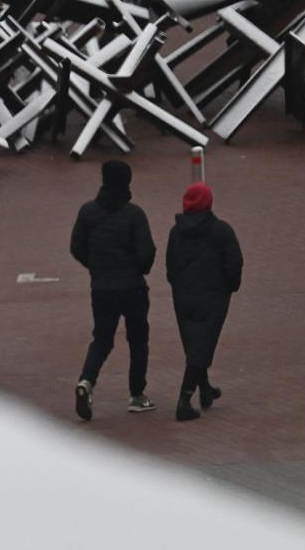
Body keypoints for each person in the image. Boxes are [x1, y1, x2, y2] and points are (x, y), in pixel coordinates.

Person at [70, 160, 157, 421]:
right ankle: (137, 395)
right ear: (127, 181)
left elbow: (76, 248)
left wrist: (95, 267)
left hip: (102, 288)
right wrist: (140, 268)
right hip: (132, 287)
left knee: (102, 339)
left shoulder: (88, 212)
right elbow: (146, 253)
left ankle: (86, 381)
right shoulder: (134, 214)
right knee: (138, 340)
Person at [165, 182, 243, 422]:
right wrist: (230, 286)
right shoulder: (221, 231)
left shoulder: (176, 232)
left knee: (194, 344)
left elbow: (170, 266)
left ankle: (205, 390)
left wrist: (178, 286)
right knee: (202, 347)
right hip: (213, 296)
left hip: (183, 296)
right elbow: (234, 263)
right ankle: (184, 400)